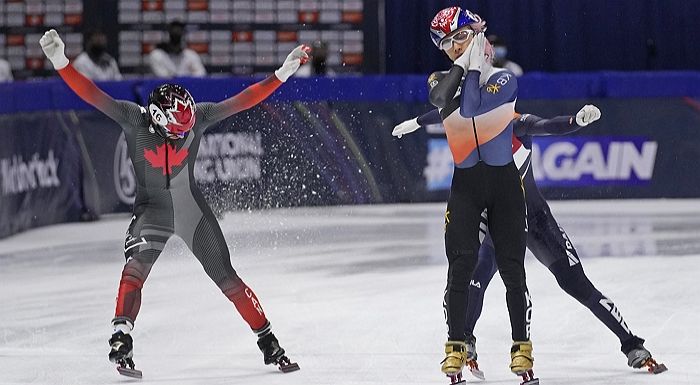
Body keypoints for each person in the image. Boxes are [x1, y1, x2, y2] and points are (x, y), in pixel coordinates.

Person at [40, 28, 309, 376]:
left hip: (190, 211)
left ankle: (269, 341)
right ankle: (121, 337)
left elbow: (244, 99)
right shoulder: (132, 119)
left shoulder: (196, 118)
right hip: (152, 212)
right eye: (177, 131)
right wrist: (60, 62)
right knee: (134, 271)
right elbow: (90, 93)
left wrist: (280, 75)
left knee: (226, 276)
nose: (184, 135)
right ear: (155, 117)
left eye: (188, 129)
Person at [392, 106, 668, 374]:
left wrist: (576, 122)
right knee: (472, 281)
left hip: (536, 223)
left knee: (577, 284)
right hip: (495, 223)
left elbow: (547, 126)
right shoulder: (467, 126)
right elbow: (444, 112)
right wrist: (417, 121)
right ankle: (465, 340)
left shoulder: (514, 124)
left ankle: (632, 343)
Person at [427, 7, 536, 384]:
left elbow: (471, 105)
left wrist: (472, 67)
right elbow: (441, 98)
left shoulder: (505, 79)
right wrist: (466, 63)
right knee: (460, 267)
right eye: (446, 43)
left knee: (512, 269)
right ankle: (455, 347)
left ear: (476, 34)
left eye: (460, 37)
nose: (454, 48)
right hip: (467, 187)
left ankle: (521, 348)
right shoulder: (440, 77)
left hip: (504, 184)